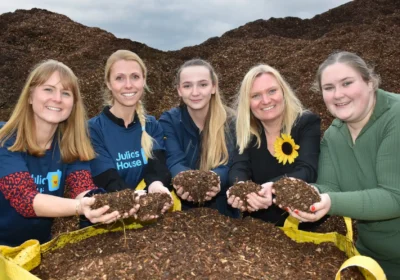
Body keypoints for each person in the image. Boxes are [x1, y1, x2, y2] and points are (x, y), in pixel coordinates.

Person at [283, 51, 400, 279]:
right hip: (371, 259)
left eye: (347, 83)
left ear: (369, 82)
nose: (338, 94)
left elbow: (394, 197)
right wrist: (305, 193)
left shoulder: (395, 118)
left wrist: (330, 202)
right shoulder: (334, 135)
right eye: (329, 88)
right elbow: (329, 186)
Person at [0, 60, 120, 247]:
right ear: (30, 96)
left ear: (73, 104)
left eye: (65, 93)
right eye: (48, 89)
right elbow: (24, 199)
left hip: (38, 249)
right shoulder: (5, 138)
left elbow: (82, 188)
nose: (57, 99)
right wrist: (79, 207)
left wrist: (108, 201)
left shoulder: (69, 144)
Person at [227, 64, 321, 229]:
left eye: (272, 91)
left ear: (283, 91)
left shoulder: (305, 123)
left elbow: (308, 169)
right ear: (247, 102)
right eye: (255, 95)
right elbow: (239, 166)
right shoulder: (244, 128)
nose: (266, 100)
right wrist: (240, 187)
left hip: (304, 225)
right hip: (258, 228)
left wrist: (274, 187)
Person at [89, 50, 172, 219]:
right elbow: (107, 178)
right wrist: (133, 199)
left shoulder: (151, 125)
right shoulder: (93, 129)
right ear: (108, 83)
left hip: (146, 218)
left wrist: (156, 186)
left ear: (144, 80)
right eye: (119, 78)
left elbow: (157, 167)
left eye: (135, 77)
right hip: (108, 220)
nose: (128, 85)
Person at [159, 59, 238, 217]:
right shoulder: (169, 121)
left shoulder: (232, 121)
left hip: (225, 213)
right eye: (187, 86)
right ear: (179, 90)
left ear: (213, 87)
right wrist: (183, 179)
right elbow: (174, 159)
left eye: (203, 84)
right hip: (182, 213)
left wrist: (215, 180)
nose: (195, 92)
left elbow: (231, 164)